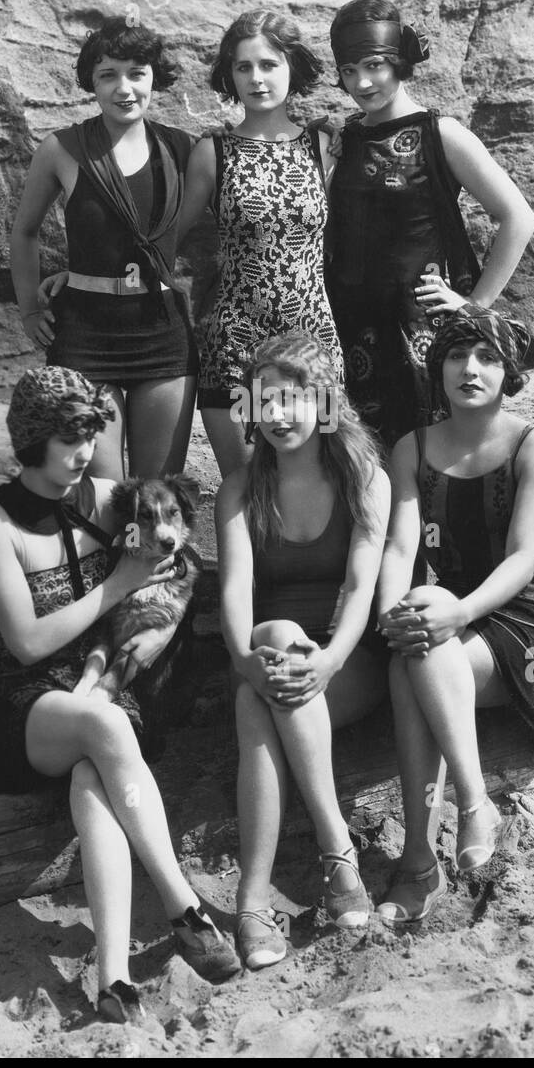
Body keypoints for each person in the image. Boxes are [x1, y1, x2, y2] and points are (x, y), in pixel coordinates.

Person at [0, 366, 240, 1020]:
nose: (84, 453)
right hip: (30, 705)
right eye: (68, 440)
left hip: (110, 687)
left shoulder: (116, 496)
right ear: (32, 440)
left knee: (95, 774)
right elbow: (28, 644)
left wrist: (156, 620)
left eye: (90, 435)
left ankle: (112, 980)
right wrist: (119, 584)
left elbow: (182, 556)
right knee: (102, 732)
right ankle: (186, 907)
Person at [376, 304, 534, 926]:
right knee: (410, 647)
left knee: (421, 646)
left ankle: (439, 835)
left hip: (529, 625)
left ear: (509, 369)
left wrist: (455, 612)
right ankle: (444, 830)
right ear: (437, 369)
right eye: (457, 356)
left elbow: (522, 559)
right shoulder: (411, 448)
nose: (470, 368)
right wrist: (389, 610)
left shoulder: (531, 444)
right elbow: (401, 546)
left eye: (487, 357)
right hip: (453, 626)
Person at [215, 334, 391, 969]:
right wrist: (244, 658)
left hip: (350, 663)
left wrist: (331, 659)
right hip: (268, 658)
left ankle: (253, 899)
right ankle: (335, 858)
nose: (279, 414)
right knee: (273, 640)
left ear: (324, 404)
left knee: (258, 699)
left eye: (291, 398)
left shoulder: (365, 477)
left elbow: (359, 585)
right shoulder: (238, 489)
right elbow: (235, 590)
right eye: (265, 401)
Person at [326, 0, 534, 448]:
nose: (361, 82)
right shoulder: (342, 140)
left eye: (373, 65)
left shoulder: (441, 134)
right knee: (363, 465)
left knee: (431, 460)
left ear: (399, 62)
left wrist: (474, 306)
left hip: (423, 332)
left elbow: (519, 217)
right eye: (348, 70)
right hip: (351, 330)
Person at [10, 20, 198, 480]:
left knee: (157, 492)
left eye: (137, 73)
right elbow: (24, 232)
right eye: (108, 75)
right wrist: (31, 311)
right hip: (85, 339)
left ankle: (150, 557)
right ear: (91, 83)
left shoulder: (183, 149)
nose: (124, 88)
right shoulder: (62, 148)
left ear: (155, 77)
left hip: (163, 337)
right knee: (103, 492)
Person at [181, 9, 345, 477]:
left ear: (292, 66)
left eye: (269, 64)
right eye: (243, 67)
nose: (256, 78)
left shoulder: (326, 145)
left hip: (314, 340)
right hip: (234, 342)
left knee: (324, 484)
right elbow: (162, 241)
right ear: (229, 75)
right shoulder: (212, 152)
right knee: (248, 486)